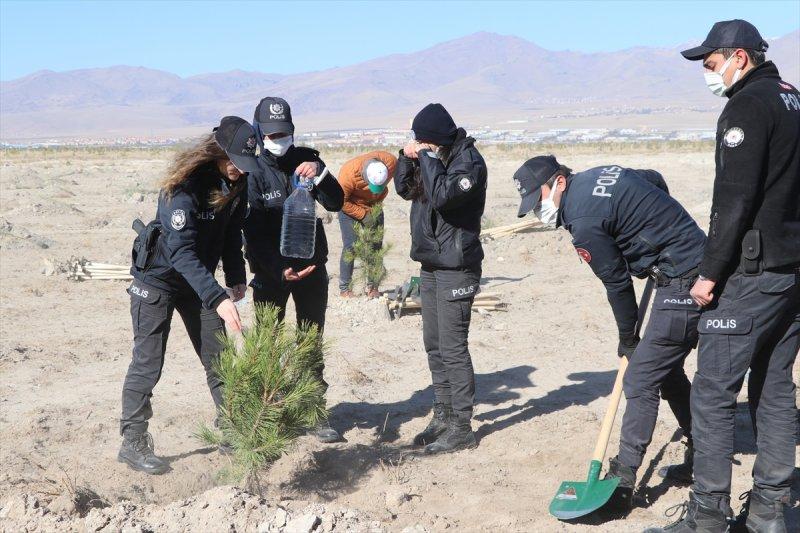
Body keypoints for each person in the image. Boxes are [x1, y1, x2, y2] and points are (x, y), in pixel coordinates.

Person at [646, 20, 800, 533]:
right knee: (775, 385)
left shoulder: (747, 106)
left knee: (712, 393)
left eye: (711, 65)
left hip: (751, 275)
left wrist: (710, 275)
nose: (708, 76)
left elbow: (733, 199)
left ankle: (706, 517)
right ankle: (770, 510)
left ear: (739, 57)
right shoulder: (791, 98)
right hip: (791, 272)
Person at [513, 156, 707, 512]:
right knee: (664, 369)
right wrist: (657, 229)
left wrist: (627, 338)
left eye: (538, 200)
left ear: (557, 182)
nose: (539, 211)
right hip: (689, 264)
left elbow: (616, 282)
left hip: (684, 279)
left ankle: (623, 478)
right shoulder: (597, 175)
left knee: (641, 377)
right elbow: (655, 178)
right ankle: (704, 452)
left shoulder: (583, 222)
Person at [119, 116, 257, 474]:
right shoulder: (182, 189)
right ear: (217, 152)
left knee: (219, 358)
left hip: (197, 282)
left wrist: (236, 275)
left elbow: (230, 231)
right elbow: (181, 253)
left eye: (245, 167)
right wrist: (218, 298)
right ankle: (133, 441)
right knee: (148, 363)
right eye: (236, 164)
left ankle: (232, 428)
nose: (240, 172)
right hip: (158, 281)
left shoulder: (235, 183)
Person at [244, 96, 344, 443]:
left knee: (309, 341)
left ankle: (313, 411)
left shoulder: (308, 159)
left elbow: (337, 202)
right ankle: (265, 416)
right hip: (271, 274)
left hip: (312, 268)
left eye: (284, 132)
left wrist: (321, 174)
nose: (279, 139)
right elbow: (252, 232)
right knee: (267, 342)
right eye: (272, 134)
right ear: (259, 133)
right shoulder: (252, 170)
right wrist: (277, 268)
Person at [395, 103, 487, 454]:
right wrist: (407, 159)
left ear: (435, 140)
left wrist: (428, 159)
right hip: (431, 265)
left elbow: (444, 196)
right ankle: (443, 413)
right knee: (433, 344)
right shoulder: (434, 157)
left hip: (457, 266)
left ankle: (462, 426)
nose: (420, 147)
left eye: (423, 142)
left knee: (453, 347)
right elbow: (406, 190)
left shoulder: (468, 162)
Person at [337, 150, 397, 298]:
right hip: (349, 206)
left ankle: (373, 287)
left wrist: (373, 210)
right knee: (351, 246)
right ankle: (345, 289)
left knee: (375, 246)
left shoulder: (390, 162)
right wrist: (363, 215)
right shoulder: (347, 175)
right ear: (365, 178)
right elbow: (340, 202)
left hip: (374, 205)